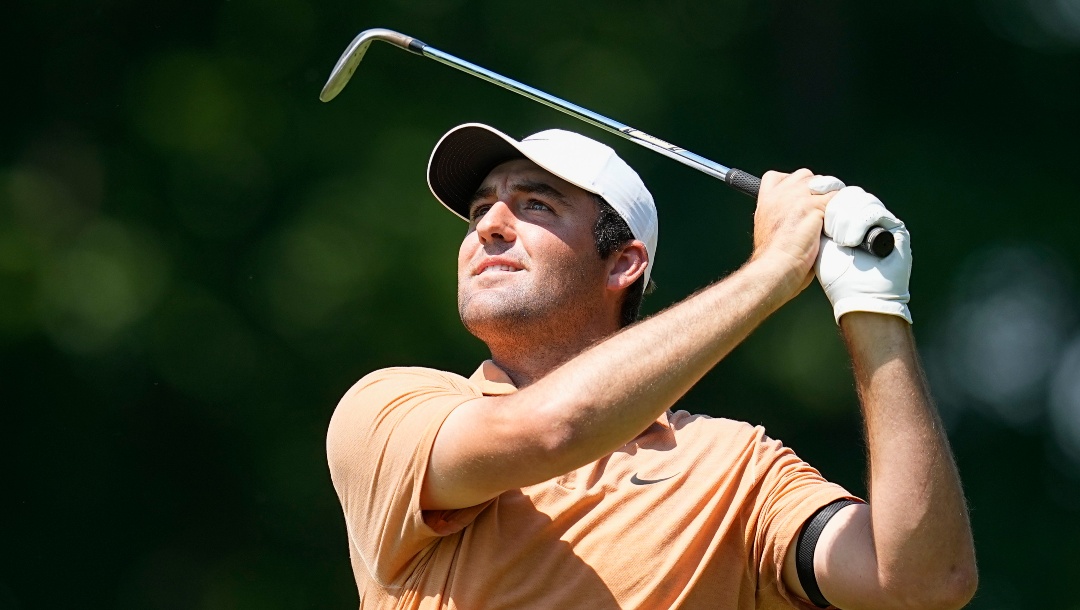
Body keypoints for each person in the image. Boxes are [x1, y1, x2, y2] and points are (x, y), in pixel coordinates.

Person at [326, 123, 977, 609]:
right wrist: (773, 271)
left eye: (535, 205)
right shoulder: (390, 408)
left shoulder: (735, 468)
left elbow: (925, 583)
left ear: (623, 263)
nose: (490, 225)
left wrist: (874, 307)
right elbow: (554, 429)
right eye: (479, 211)